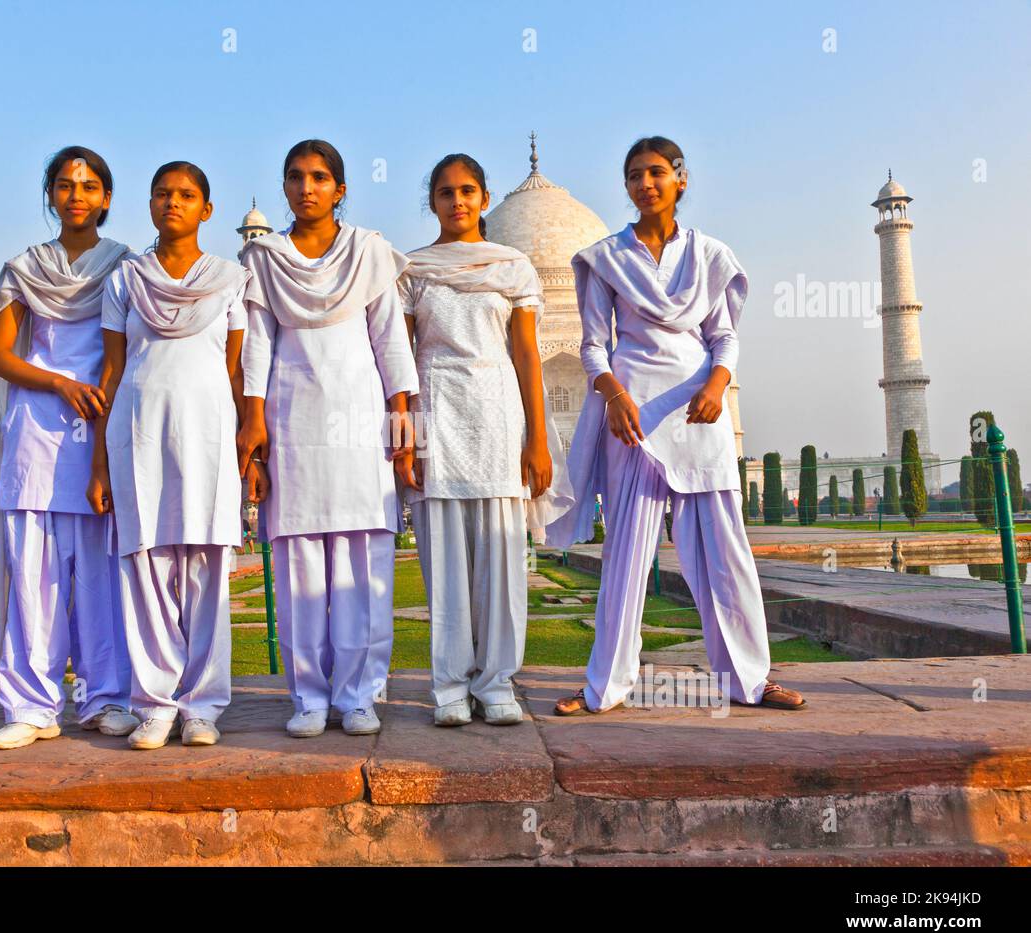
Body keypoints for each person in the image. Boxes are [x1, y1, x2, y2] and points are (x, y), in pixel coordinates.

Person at [550, 136, 806, 716]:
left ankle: (750, 679)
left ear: (680, 180)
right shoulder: (606, 258)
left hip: (698, 408)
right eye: (635, 175)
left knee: (725, 553)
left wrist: (718, 384)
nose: (646, 183)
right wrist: (612, 395)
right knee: (626, 556)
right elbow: (593, 347)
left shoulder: (709, 255)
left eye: (657, 173)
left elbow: (723, 337)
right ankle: (605, 685)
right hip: (634, 414)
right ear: (627, 186)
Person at [236, 139, 419, 738]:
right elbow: (257, 344)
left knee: (364, 567)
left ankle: (360, 695)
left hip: (361, 422)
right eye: (296, 178)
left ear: (341, 189)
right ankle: (309, 697)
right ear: (285, 188)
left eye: (319, 178)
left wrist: (403, 426)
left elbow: (392, 340)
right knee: (300, 572)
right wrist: (254, 423)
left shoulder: (368, 252)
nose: (307, 188)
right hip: (292, 420)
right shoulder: (264, 261)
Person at [398, 154, 573, 727]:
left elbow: (526, 355)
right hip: (434, 406)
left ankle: (497, 681)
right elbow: (399, 360)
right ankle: (449, 686)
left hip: (498, 412)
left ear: (485, 196)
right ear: (433, 201)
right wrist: (404, 436)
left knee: (500, 554)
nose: (458, 201)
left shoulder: (512, 266)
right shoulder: (413, 269)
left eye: (469, 190)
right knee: (443, 556)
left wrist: (538, 441)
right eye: (446, 192)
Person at [0, 146, 137, 750]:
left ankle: (105, 698)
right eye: (66, 185)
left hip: (100, 424)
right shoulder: (23, 269)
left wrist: (93, 395)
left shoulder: (124, 267)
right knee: (33, 574)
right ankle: (31, 704)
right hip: (36, 427)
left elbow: (127, 350)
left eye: (90, 185)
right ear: (50, 195)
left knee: (100, 571)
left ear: (105, 197)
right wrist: (57, 382)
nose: (77, 195)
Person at [89, 161, 250, 749]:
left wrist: (248, 451)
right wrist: (99, 463)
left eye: (186, 195)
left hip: (207, 432)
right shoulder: (126, 280)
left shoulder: (231, 279)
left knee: (207, 567)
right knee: (147, 566)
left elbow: (236, 370)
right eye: (162, 194)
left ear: (207, 209)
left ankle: (203, 705)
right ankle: (155, 703)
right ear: (149, 204)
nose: (172, 203)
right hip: (137, 432)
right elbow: (111, 369)